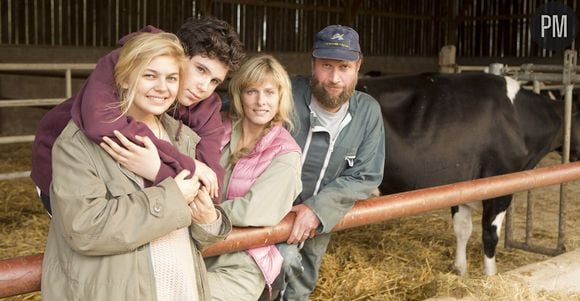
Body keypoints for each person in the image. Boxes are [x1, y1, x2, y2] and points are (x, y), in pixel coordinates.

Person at [41, 32, 231, 300]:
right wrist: (171, 199)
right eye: (150, 75)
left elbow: (199, 232)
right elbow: (85, 228)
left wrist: (209, 222)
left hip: (182, 289)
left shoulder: (184, 138)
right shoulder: (78, 143)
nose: (162, 88)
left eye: (171, 78)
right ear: (124, 78)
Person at [31, 16, 245, 214]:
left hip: (127, 181)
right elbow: (101, 124)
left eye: (215, 81)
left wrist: (158, 171)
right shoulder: (133, 60)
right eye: (200, 69)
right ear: (178, 53)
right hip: (62, 167)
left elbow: (211, 182)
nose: (204, 87)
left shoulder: (206, 107)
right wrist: (185, 166)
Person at [271, 25, 386, 300]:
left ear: (358, 66)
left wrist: (317, 208)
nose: (334, 78)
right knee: (261, 282)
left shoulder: (368, 112)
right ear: (313, 64)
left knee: (301, 282)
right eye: (326, 65)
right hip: (268, 216)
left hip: (320, 219)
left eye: (344, 67)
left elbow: (366, 175)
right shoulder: (282, 94)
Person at [201, 54, 302, 300]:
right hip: (199, 248)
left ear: (281, 98)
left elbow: (252, 211)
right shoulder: (217, 129)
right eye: (251, 91)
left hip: (243, 260)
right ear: (239, 95)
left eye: (269, 92)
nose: (260, 101)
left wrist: (197, 213)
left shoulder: (286, 154)